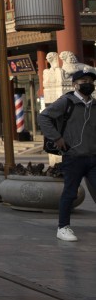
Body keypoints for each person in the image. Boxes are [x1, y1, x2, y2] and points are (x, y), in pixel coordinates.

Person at [39, 69, 96, 242]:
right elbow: (44, 117)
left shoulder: (94, 105)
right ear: (74, 84)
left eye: (90, 81)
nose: (88, 83)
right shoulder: (66, 102)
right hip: (73, 156)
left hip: (93, 157)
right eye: (83, 80)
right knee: (70, 193)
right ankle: (63, 227)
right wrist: (57, 137)